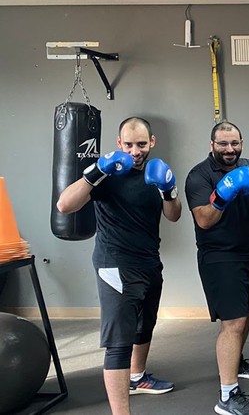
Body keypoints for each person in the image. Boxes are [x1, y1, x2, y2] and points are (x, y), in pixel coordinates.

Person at [56, 117, 181, 415]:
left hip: (149, 261)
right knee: (119, 342)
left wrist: (169, 190)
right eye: (129, 145)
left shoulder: (156, 173)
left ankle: (137, 377)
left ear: (152, 142)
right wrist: (96, 172)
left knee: (145, 325)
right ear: (119, 144)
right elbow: (64, 205)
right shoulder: (107, 175)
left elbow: (174, 215)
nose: (135, 151)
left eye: (141, 144)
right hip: (115, 264)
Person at [185, 121, 249, 415]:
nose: (229, 149)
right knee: (233, 323)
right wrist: (223, 194)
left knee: (247, 313)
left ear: (241, 143)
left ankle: (236, 362)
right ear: (212, 145)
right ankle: (228, 396)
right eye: (223, 144)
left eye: (234, 143)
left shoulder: (248, 165)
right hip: (219, 257)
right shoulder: (199, 176)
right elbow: (204, 220)